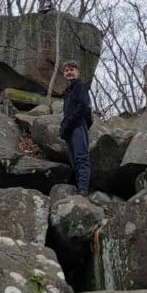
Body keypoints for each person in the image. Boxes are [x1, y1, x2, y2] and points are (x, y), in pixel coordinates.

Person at [59, 60, 92, 196]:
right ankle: (78, 187)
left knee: (81, 157)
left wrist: (68, 124)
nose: (69, 72)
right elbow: (67, 112)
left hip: (78, 126)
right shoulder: (67, 92)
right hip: (69, 130)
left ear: (78, 72)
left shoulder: (80, 86)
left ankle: (83, 189)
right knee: (73, 161)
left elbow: (84, 107)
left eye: (72, 69)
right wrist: (63, 127)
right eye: (67, 70)